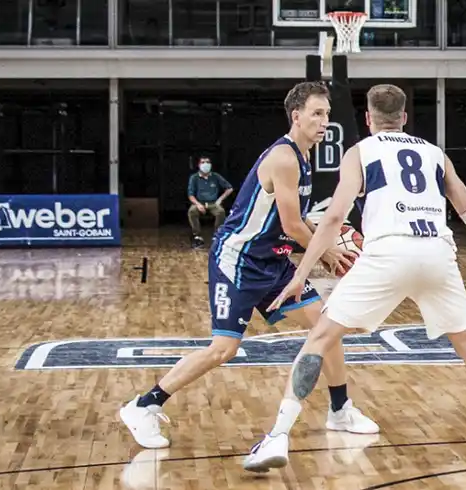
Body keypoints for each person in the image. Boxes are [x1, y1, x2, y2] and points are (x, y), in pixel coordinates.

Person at [243, 84, 466, 471]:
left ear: (368, 118)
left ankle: (278, 436)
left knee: (321, 338)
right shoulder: (435, 154)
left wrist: (300, 273)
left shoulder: (360, 152)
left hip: (388, 253)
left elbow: (333, 218)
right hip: (436, 254)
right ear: (405, 117)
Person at [119, 81, 380, 450]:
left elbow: (298, 221)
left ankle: (340, 409)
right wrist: (326, 252)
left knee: (327, 326)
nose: (324, 121)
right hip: (238, 261)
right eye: (317, 114)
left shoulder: (303, 158)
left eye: (327, 114)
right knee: (223, 349)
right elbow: (292, 225)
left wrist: (327, 240)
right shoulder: (284, 158)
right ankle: (144, 405)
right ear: (296, 116)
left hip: (273, 260)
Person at [188, 156, 233, 248]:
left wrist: (220, 199)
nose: (206, 164)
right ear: (199, 165)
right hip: (199, 202)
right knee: (192, 211)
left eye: (208, 162)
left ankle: (217, 235)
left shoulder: (215, 176)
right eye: (203, 162)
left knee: (220, 211)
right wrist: (198, 204)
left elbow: (229, 188)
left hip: (213, 203)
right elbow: (190, 195)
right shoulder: (194, 177)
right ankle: (197, 236)